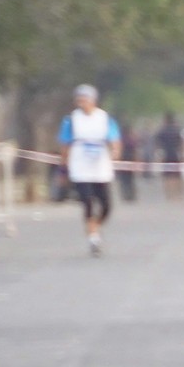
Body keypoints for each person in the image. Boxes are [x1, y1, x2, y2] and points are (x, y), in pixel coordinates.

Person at [59, 84, 120, 254]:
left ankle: (94, 226)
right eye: (79, 99)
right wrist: (63, 168)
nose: (81, 102)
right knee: (87, 202)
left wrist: (115, 151)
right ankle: (93, 237)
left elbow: (114, 139)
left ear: (93, 100)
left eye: (85, 99)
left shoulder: (104, 118)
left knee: (106, 206)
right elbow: (65, 144)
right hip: (80, 166)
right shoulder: (71, 120)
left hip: (100, 166)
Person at [155, 113, 184, 200]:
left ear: (165, 120)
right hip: (176, 155)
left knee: (167, 176)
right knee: (178, 176)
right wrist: (183, 155)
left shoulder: (161, 131)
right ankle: (179, 194)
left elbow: (157, 144)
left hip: (165, 155)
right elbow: (182, 144)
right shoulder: (177, 130)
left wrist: (158, 155)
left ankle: (169, 195)